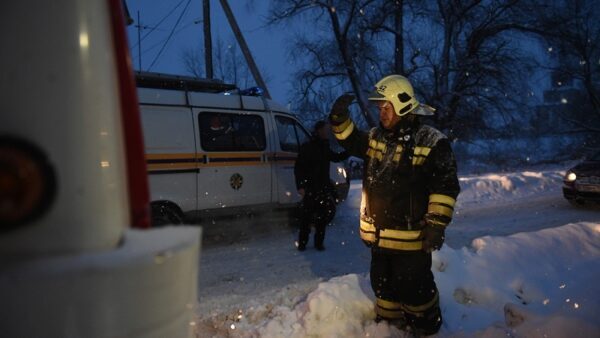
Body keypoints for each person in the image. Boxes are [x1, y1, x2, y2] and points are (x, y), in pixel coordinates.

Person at [329, 75, 460, 335]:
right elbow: (351, 140)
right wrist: (339, 119)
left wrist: (436, 224)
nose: (382, 114)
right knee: (383, 287)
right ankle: (390, 329)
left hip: (412, 240)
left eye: (385, 108)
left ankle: (426, 327)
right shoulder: (378, 137)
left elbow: (444, 187)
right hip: (380, 239)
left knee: (415, 289)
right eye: (379, 109)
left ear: (402, 104)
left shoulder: (431, 141)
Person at [294, 120, 349, 251]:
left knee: (321, 218)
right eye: (325, 130)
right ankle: (302, 243)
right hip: (310, 188)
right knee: (306, 218)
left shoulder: (325, 146)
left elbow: (335, 157)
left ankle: (319, 243)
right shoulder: (308, 147)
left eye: (327, 130)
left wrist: (350, 151)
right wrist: (301, 186)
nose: (327, 132)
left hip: (323, 188)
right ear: (318, 131)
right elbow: (299, 167)